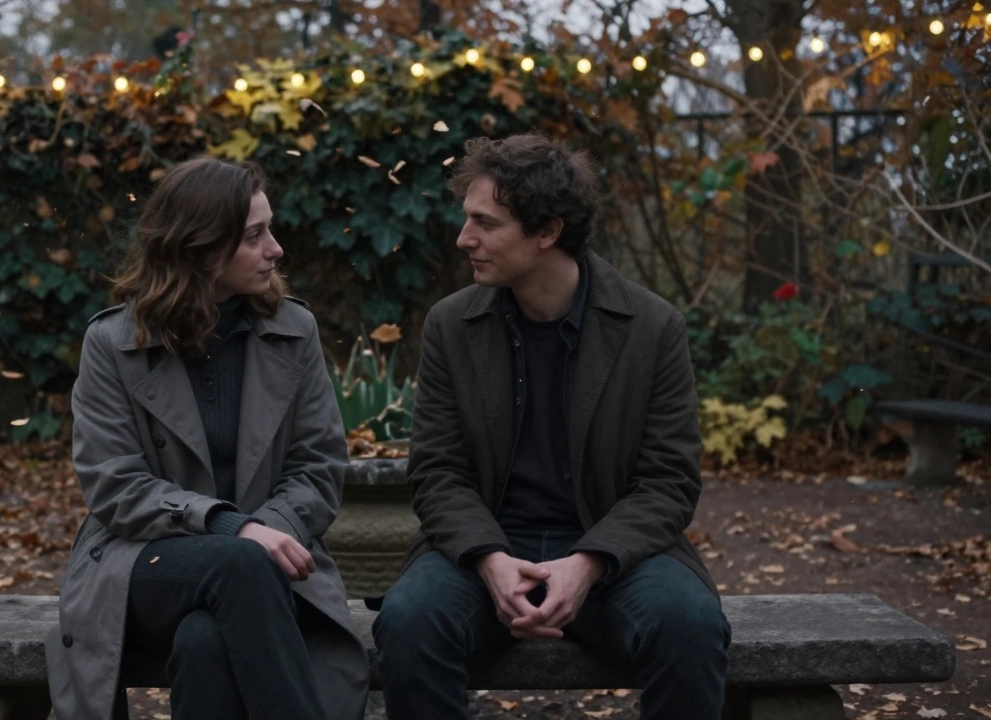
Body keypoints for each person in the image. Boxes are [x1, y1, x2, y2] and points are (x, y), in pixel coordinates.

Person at [371, 134, 731, 719]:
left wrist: (587, 563)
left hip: (615, 557)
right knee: (409, 623)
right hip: (482, 551)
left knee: (689, 626)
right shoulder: (451, 326)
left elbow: (668, 482)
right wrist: (489, 558)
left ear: (547, 231)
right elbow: (437, 472)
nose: (465, 239)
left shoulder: (652, 327)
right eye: (468, 220)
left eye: (486, 224)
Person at [46, 156, 370, 720]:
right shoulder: (113, 344)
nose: (277, 248)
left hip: (271, 567)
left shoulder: (294, 332)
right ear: (199, 248)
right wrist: (232, 528)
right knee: (238, 564)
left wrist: (262, 532)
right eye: (255, 235)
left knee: (205, 642)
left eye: (269, 229)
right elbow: (115, 486)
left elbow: (318, 466)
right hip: (144, 564)